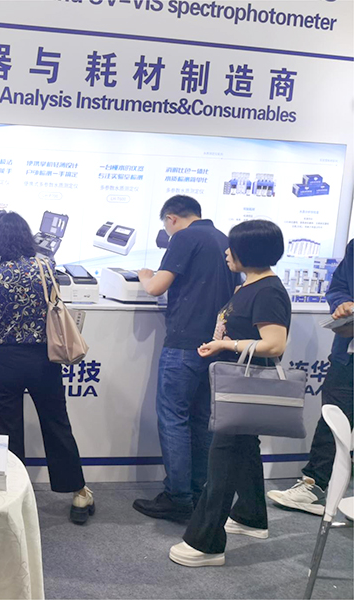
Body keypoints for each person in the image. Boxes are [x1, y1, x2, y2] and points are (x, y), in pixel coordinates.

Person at [170, 219, 292, 567]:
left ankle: (206, 543)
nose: (226, 252)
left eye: (233, 247)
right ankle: (251, 516)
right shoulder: (250, 284)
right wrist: (222, 344)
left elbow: (274, 344)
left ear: (248, 252)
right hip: (236, 384)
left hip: (243, 387)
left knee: (221, 460)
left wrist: (227, 344)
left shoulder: (267, 290)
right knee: (244, 450)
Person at [0, 212, 94, 524]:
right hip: (44, 358)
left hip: (7, 358)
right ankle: (79, 493)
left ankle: (15, 496)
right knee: (56, 424)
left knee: (8, 429)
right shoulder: (45, 266)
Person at [133, 195, 238, 522]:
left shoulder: (183, 237)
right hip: (216, 344)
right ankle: (195, 492)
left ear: (172, 218)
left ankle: (177, 497)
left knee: (173, 417)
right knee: (201, 419)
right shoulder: (223, 239)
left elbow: (156, 288)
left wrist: (144, 275)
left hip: (184, 344)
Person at [268, 239, 353, 515]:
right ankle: (313, 486)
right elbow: (338, 287)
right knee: (332, 421)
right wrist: (342, 304)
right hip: (347, 356)